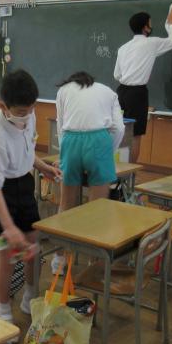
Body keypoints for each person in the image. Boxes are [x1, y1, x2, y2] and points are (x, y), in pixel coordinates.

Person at [0, 69, 61, 323]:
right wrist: (8, 227)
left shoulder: (30, 115)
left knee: (32, 248)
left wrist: (43, 167)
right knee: (7, 257)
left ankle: (29, 296)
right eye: (20, 112)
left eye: (31, 109)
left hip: (24, 185)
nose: (27, 116)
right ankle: (3, 311)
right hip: (0, 193)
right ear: (2, 106)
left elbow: (27, 151)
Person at [48, 71, 124, 274]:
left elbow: (61, 126)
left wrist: (64, 155)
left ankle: (59, 261)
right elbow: (119, 128)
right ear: (92, 80)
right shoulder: (108, 92)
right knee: (97, 210)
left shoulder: (63, 91)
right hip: (99, 141)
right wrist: (107, 152)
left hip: (71, 141)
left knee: (66, 205)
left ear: (72, 80)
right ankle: (93, 262)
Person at [113, 4, 172, 163]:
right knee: (135, 135)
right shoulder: (151, 43)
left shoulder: (123, 48)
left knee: (120, 132)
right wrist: (171, 24)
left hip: (121, 92)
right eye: (150, 23)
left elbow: (117, 75)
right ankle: (130, 172)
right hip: (137, 93)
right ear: (145, 28)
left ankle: (118, 169)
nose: (152, 26)